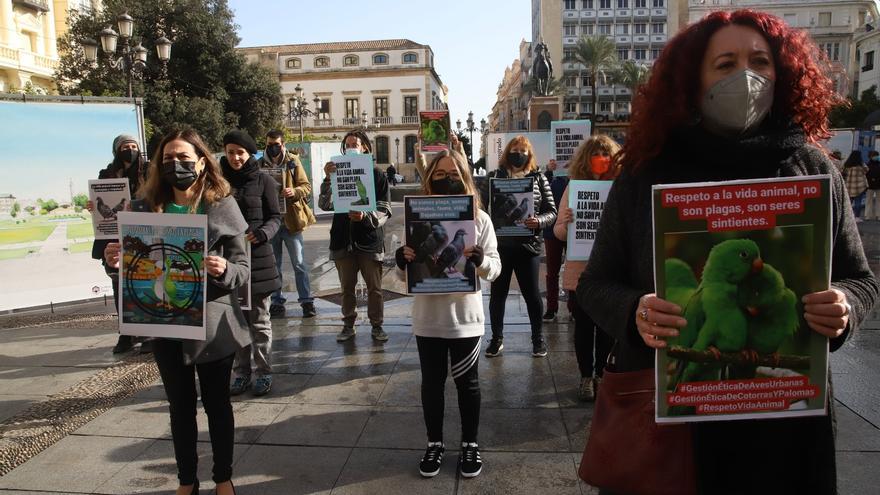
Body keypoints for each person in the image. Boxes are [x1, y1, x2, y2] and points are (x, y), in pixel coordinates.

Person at [577, 10, 879, 494]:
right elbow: (594, 284)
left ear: (782, 74)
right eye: (725, 63)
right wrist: (634, 312)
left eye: (761, 61)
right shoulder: (647, 171)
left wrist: (845, 305)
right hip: (669, 434)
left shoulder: (812, 166)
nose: (747, 76)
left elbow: (861, 280)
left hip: (783, 435)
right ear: (692, 80)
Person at [104, 129, 249, 495]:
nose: (176, 165)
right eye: (168, 159)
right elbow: (131, 266)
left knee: (218, 407)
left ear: (202, 162)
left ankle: (223, 477)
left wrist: (224, 270)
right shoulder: (142, 207)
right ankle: (187, 480)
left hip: (214, 324)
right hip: (164, 322)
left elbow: (242, 268)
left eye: (184, 158)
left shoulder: (221, 204)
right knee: (179, 407)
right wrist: (115, 263)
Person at [395, 149, 501, 479]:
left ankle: (470, 443)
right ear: (429, 179)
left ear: (465, 176)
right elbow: (402, 278)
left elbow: (495, 270)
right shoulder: (416, 219)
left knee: (468, 384)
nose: (446, 179)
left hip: (465, 321)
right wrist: (402, 262)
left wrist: (481, 261)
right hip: (428, 319)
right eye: (439, 175)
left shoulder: (480, 219)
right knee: (432, 385)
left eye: (453, 174)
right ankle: (434, 442)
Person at [553, 136, 620, 401]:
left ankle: (601, 376)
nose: (601, 161)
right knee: (583, 327)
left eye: (606, 156)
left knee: (606, 328)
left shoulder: (619, 189)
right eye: (596, 156)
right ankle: (585, 376)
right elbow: (558, 232)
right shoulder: (573, 189)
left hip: (611, 272)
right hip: (581, 273)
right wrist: (566, 223)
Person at [220, 130, 282, 397]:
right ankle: (241, 372)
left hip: (258, 261)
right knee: (235, 321)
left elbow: (275, 217)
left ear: (250, 154)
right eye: (230, 151)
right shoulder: (217, 182)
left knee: (258, 321)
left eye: (240, 152)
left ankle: (264, 372)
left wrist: (262, 233)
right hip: (226, 261)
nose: (235, 157)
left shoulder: (264, 180)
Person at [484, 136, 557, 357]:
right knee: (498, 294)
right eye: (515, 149)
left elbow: (551, 211)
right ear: (507, 152)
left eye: (523, 150)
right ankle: (496, 338)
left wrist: (539, 221)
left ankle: (538, 339)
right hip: (501, 246)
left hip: (528, 246)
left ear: (529, 154)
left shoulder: (539, 178)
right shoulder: (494, 177)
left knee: (532, 295)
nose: (519, 153)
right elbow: (476, 197)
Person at [318, 130, 392, 342]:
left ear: (364, 148)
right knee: (346, 288)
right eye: (347, 144)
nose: (351, 147)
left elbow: (385, 209)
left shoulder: (377, 174)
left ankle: (377, 326)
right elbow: (325, 204)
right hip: (342, 239)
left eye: (355, 144)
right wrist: (327, 179)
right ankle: (348, 324)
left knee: (375, 289)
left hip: (369, 240)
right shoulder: (336, 172)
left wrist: (366, 217)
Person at [89, 134, 150, 354]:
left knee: (144, 281)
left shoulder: (148, 171)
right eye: (126, 147)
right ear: (117, 150)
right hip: (114, 237)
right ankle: (126, 333)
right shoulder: (106, 174)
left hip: (142, 234)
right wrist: (92, 206)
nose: (131, 150)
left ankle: (148, 333)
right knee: (119, 285)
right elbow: (100, 204)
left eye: (134, 146)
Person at [261, 130, 318, 319]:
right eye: (269, 144)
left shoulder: (292, 161)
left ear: (283, 144)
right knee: (274, 265)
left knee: (299, 264)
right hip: (271, 222)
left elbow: (306, 186)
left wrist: (293, 191)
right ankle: (277, 302)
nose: (273, 147)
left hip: (291, 221)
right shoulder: (260, 163)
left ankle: (306, 301)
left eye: (276, 144)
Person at [542, 159, 568, 322]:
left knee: (573, 269)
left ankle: (573, 307)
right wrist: (549, 171)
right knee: (552, 271)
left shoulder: (578, 179)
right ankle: (552, 308)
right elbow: (540, 191)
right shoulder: (550, 178)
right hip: (552, 231)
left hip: (572, 229)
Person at [843, 150, 869, 220]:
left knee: (848, 202)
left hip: (849, 186)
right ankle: (856, 217)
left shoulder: (847, 164)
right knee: (858, 202)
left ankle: (847, 216)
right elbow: (867, 170)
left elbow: (843, 172)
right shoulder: (861, 164)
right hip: (859, 186)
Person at [865, 150, 880, 220]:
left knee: (878, 201)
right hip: (870, 185)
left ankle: (878, 215)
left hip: (878, 185)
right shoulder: (867, 165)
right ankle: (868, 215)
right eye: (875, 156)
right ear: (870, 156)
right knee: (869, 201)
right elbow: (866, 175)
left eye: (877, 155)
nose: (876, 157)